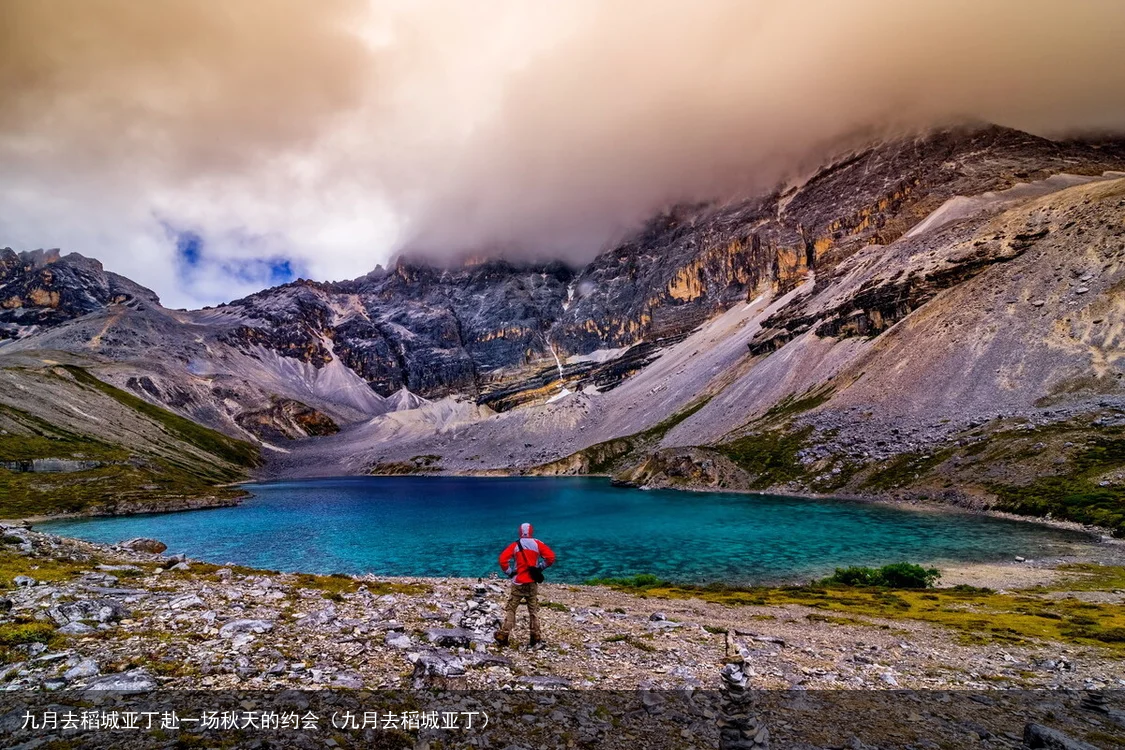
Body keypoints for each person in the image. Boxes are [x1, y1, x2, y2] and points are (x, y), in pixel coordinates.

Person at [494, 522, 556, 647]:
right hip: (532, 583)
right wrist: (539, 568)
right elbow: (551, 557)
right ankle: (535, 637)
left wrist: (510, 572)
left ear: (520, 532)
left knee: (511, 609)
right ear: (532, 531)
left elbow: (502, 560)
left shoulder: (515, 545)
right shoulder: (537, 544)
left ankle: (504, 635)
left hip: (518, 582)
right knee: (533, 610)